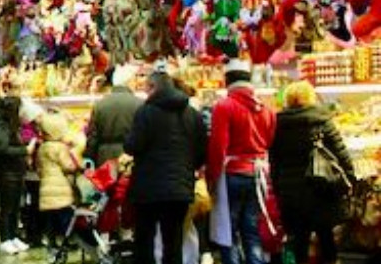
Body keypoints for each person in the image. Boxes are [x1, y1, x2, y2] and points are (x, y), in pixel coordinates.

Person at [125, 71, 207, 264]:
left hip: (148, 188)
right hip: (180, 187)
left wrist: (127, 140)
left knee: (144, 240)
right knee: (174, 241)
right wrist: (187, 168)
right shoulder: (192, 114)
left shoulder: (146, 112)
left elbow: (133, 146)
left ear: (153, 88)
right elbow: (202, 151)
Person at [270, 81, 354, 264]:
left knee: (299, 240)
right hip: (321, 189)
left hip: (291, 193)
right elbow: (341, 153)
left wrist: (278, 189)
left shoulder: (277, 125)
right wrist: (350, 179)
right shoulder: (322, 121)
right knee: (326, 238)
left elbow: (274, 162)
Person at [207, 59, 276, 264]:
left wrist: (212, 177)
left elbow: (218, 146)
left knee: (229, 231)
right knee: (252, 228)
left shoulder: (224, 106)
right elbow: (270, 141)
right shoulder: (266, 108)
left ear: (227, 80)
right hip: (258, 174)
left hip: (232, 174)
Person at [0, 95, 31, 255]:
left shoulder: (13, 125)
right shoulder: (1, 125)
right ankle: (5, 239)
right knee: (6, 208)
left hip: (16, 172)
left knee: (14, 208)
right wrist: (25, 150)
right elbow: (2, 149)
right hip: (6, 172)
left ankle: (13, 236)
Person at [36, 112, 81, 252]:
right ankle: (67, 241)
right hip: (60, 187)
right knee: (65, 216)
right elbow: (68, 166)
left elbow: (38, 167)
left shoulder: (42, 148)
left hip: (45, 186)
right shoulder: (59, 148)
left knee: (49, 218)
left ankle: (51, 242)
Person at [87, 65, 143, 167]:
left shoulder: (100, 105)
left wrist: (89, 159)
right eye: (135, 79)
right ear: (129, 81)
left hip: (104, 159)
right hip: (130, 158)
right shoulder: (139, 104)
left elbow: (92, 138)